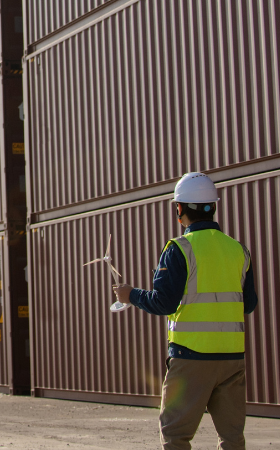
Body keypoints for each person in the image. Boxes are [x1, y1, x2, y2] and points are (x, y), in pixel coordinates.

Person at [111, 172, 259, 450]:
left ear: (179, 209)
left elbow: (164, 302)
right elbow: (248, 304)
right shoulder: (238, 250)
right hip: (231, 360)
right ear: (213, 207)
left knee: (176, 437)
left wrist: (130, 295)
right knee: (232, 439)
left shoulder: (179, 249)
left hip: (191, 358)